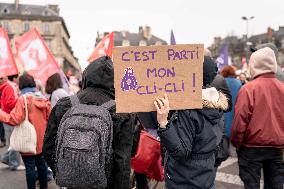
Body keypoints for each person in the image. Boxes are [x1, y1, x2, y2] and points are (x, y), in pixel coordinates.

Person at [43, 56, 136, 189]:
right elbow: (122, 160)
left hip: (71, 182)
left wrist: (66, 172)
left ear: (86, 76)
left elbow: (48, 148)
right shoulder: (123, 111)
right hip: (105, 184)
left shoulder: (64, 105)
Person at [154, 56, 228, 189]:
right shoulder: (217, 104)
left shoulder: (189, 109)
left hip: (184, 180)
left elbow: (181, 151)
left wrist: (164, 123)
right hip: (204, 177)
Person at [231, 47, 284, 189]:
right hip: (277, 147)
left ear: (254, 65)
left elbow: (239, 121)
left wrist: (237, 142)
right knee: (275, 185)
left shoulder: (248, 89)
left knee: (251, 185)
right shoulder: (282, 88)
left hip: (251, 147)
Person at [0, 73, 51, 189]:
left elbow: (14, 119)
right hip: (42, 140)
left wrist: (1, 114)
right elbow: (50, 120)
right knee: (42, 165)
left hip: (27, 140)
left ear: (21, 85)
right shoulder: (44, 99)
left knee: (29, 167)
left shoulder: (23, 100)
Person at [0, 76, 22, 170]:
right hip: (10, 117)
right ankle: (14, 164)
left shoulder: (6, 87)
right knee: (15, 142)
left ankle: (5, 158)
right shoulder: (9, 87)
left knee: (13, 141)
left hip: (6, 117)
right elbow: (10, 103)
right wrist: (19, 101)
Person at [220, 66, 241, 156]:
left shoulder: (221, 82)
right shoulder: (238, 83)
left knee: (224, 132)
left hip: (223, 110)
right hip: (235, 110)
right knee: (233, 129)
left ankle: (225, 151)